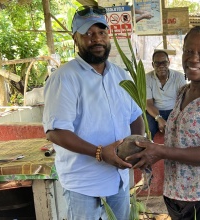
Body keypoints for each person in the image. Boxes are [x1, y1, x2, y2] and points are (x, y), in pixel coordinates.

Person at [127, 26, 200, 220]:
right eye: (189, 51)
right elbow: (181, 143)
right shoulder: (183, 91)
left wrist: (160, 151)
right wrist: (151, 153)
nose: (194, 58)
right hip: (178, 194)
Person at [42, 5, 144, 220]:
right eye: (88, 34)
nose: (96, 39)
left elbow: (135, 116)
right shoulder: (65, 78)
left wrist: (137, 144)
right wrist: (99, 152)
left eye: (101, 32)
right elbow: (56, 132)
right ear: (75, 39)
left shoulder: (120, 74)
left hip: (119, 178)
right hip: (83, 182)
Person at [146, 50, 186, 139]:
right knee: (149, 129)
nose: (161, 66)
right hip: (154, 112)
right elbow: (148, 104)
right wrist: (158, 118)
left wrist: (174, 117)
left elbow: (183, 100)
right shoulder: (147, 78)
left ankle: (177, 151)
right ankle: (151, 150)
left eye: (164, 62)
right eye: (157, 63)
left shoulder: (179, 77)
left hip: (174, 111)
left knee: (180, 131)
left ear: (169, 63)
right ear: (153, 65)